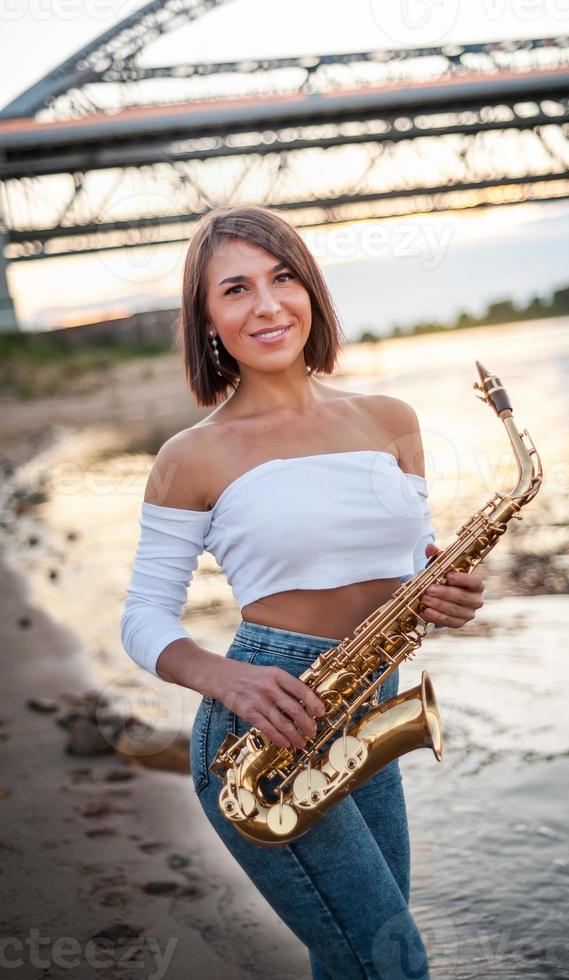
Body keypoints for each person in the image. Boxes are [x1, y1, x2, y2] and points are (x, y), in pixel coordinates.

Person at [120, 205, 485, 979]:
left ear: (310, 289)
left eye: (283, 277)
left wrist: (445, 595)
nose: (267, 304)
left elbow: (412, 560)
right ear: (208, 318)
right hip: (266, 724)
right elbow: (144, 617)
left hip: (373, 703)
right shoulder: (191, 457)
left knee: (352, 955)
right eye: (236, 289)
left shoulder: (392, 418)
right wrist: (229, 678)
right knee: (391, 960)